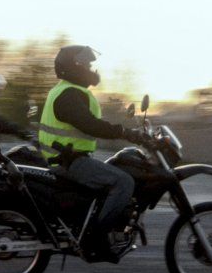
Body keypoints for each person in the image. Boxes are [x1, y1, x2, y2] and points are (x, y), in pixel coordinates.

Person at [38, 45, 148, 261]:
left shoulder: (69, 91)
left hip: (71, 158)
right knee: (123, 182)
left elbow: (88, 125)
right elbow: (90, 125)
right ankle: (97, 238)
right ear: (74, 67)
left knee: (114, 173)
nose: (91, 68)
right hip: (68, 161)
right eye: (87, 65)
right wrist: (124, 132)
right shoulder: (68, 94)